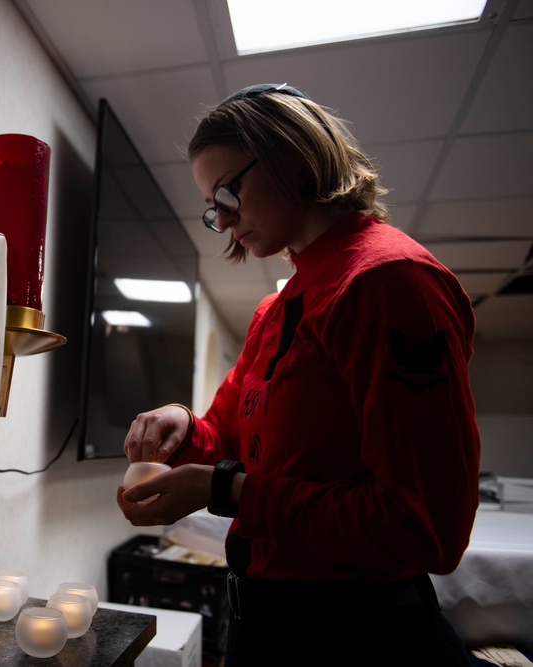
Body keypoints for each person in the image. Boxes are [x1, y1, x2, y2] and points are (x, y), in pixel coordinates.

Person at [116, 83, 479, 666]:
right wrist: (181, 427)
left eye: (228, 191)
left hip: (356, 638)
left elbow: (426, 528)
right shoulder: (277, 308)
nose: (224, 217)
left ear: (292, 155)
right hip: (266, 625)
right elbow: (230, 440)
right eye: (214, 206)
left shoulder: (388, 282)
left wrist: (221, 490)